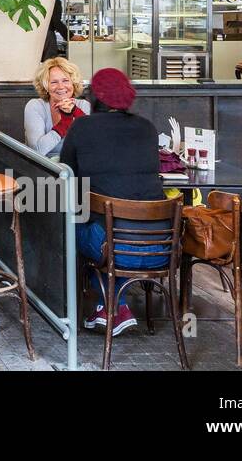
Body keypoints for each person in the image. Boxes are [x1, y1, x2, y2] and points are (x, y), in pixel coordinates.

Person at [60, 67, 167, 336]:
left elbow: (66, 174)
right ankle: (109, 307)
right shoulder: (147, 128)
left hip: (114, 247)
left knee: (70, 225)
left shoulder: (82, 126)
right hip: (161, 248)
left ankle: (107, 307)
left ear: (94, 97)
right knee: (112, 225)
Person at [23, 56, 90, 156]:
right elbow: (36, 151)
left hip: (76, 167)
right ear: (45, 86)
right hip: (44, 167)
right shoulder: (35, 106)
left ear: (73, 83)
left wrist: (75, 112)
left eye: (65, 81)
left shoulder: (83, 106)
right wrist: (65, 122)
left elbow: (92, 142)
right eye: (54, 82)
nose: (61, 87)